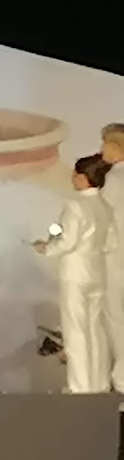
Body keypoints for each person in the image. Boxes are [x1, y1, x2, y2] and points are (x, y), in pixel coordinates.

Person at [33, 154, 117, 394]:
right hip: (97, 272)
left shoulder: (75, 205)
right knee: (96, 330)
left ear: (82, 178)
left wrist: (46, 248)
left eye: (75, 174)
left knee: (76, 330)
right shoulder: (105, 206)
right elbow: (111, 243)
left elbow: (67, 242)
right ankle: (99, 384)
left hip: (75, 273)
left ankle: (80, 386)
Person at [98, 124, 124, 390]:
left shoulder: (114, 179)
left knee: (114, 312)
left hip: (116, 255)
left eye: (105, 144)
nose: (101, 149)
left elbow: (101, 218)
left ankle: (122, 374)